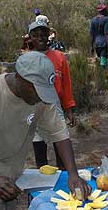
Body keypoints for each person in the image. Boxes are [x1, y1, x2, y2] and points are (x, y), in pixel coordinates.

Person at [0, 51, 90, 209]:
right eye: (38, 92)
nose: (41, 99)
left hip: (11, 181)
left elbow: (59, 133)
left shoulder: (39, 97)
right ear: (22, 79)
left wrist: (73, 174)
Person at [26, 21, 78, 169]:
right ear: (30, 38)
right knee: (39, 147)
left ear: (49, 36)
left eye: (43, 34)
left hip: (55, 107)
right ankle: (43, 182)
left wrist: (69, 109)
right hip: (35, 107)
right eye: (35, 35)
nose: (40, 38)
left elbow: (66, 85)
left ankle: (64, 177)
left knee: (61, 143)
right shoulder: (27, 60)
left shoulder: (59, 57)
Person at [90, 4, 108, 68]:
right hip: (104, 43)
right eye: (106, 10)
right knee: (103, 61)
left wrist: (91, 46)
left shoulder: (93, 20)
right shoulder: (106, 19)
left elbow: (92, 34)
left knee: (100, 59)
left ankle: (101, 74)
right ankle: (102, 74)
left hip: (96, 43)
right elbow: (106, 33)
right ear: (103, 11)